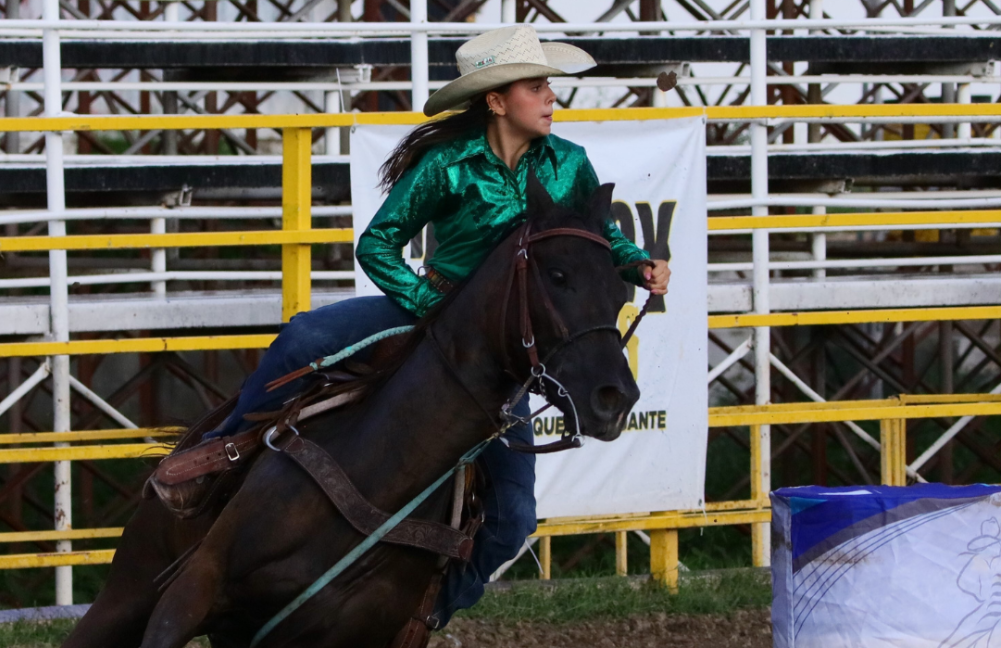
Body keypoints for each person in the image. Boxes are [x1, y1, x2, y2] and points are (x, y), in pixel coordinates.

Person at [184, 24, 670, 628]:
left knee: (514, 520)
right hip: (427, 308)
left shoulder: (568, 164)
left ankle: (427, 613)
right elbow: (379, 243)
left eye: (549, 85)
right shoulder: (447, 165)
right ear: (497, 100)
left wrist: (636, 262)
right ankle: (221, 454)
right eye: (538, 86)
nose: (552, 97)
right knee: (305, 337)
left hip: (500, 348)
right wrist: (425, 302)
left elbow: (595, 239)